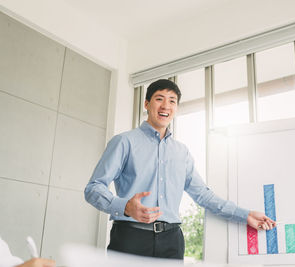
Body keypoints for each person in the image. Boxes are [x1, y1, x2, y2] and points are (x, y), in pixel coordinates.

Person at [84, 79, 275, 259]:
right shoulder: (124, 141)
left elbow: (203, 196)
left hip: (172, 242)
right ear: (146, 104)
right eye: (159, 99)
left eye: (172, 101)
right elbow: (93, 188)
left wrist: (246, 214)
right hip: (131, 238)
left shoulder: (181, 152)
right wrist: (125, 207)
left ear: (176, 108)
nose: (166, 106)